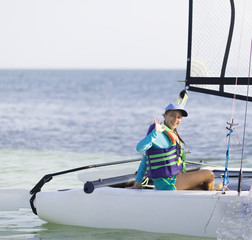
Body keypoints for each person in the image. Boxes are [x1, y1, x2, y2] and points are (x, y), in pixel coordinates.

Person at [129, 103, 222, 191]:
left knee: (202, 189)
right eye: (172, 115)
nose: (175, 119)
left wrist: (138, 182)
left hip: (171, 180)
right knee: (209, 175)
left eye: (179, 117)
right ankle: (212, 192)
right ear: (164, 116)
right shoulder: (158, 134)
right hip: (168, 182)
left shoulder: (171, 133)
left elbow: (146, 158)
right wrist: (154, 133)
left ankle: (210, 193)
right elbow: (139, 148)